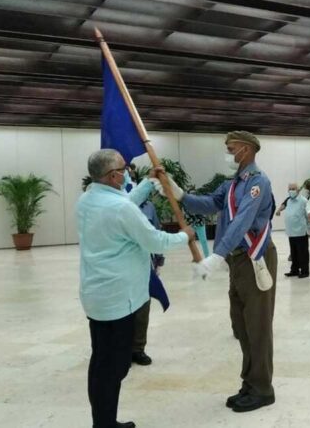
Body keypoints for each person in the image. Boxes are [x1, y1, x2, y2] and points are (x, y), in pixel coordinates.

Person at [77, 149, 195, 428]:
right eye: (124, 168)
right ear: (113, 175)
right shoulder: (120, 208)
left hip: (98, 297)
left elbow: (123, 205)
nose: (127, 171)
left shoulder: (88, 199)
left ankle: (104, 421)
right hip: (119, 300)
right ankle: (104, 425)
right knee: (113, 367)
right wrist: (184, 235)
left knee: (101, 362)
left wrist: (145, 183)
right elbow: (155, 241)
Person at [175, 131, 278, 412]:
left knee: (257, 326)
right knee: (241, 324)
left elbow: (243, 220)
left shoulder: (258, 182)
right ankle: (249, 382)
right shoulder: (232, 184)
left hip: (254, 258)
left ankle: (262, 388)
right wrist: (180, 194)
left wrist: (216, 255)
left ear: (246, 150)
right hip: (237, 260)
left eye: (231, 149)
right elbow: (209, 204)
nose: (229, 154)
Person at [132, 196, 166, 367]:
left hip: (146, 263)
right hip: (125, 265)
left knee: (143, 306)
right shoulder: (120, 203)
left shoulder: (149, 207)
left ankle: (138, 348)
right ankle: (122, 349)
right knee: (125, 307)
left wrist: (159, 260)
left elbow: (156, 232)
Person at [280, 183, 310, 278]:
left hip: (301, 231)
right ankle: (295, 270)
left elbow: (308, 215)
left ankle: (305, 271)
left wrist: (308, 228)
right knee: (294, 252)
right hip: (291, 231)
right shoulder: (288, 201)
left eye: (293, 189)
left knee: (303, 252)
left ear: (298, 190)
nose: (291, 190)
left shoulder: (303, 201)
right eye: (290, 189)